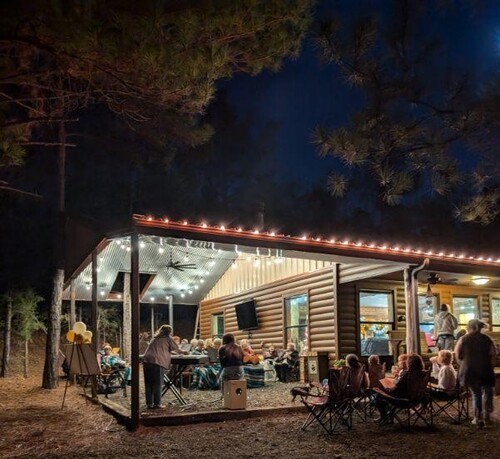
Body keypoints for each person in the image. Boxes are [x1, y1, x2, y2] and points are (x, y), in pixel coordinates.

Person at [455, 319, 497, 427]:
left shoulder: (463, 339)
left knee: (476, 394)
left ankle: (477, 418)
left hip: (470, 370)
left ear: (469, 327)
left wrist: (463, 366)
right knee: (488, 392)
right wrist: (490, 367)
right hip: (485, 369)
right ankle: (487, 416)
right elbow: (493, 354)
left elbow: (458, 355)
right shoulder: (487, 339)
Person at [374, 353, 426, 424]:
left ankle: (384, 417)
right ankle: (390, 415)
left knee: (379, 394)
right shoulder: (422, 373)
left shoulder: (407, 374)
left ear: (409, 363)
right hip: (416, 399)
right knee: (386, 392)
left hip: (404, 400)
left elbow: (396, 389)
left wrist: (387, 388)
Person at [142, 324, 179, 409]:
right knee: (157, 383)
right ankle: (157, 404)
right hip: (157, 361)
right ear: (169, 332)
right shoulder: (168, 338)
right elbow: (176, 348)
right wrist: (184, 352)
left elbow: (161, 348)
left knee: (148, 383)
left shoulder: (154, 338)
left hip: (147, 360)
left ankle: (149, 403)